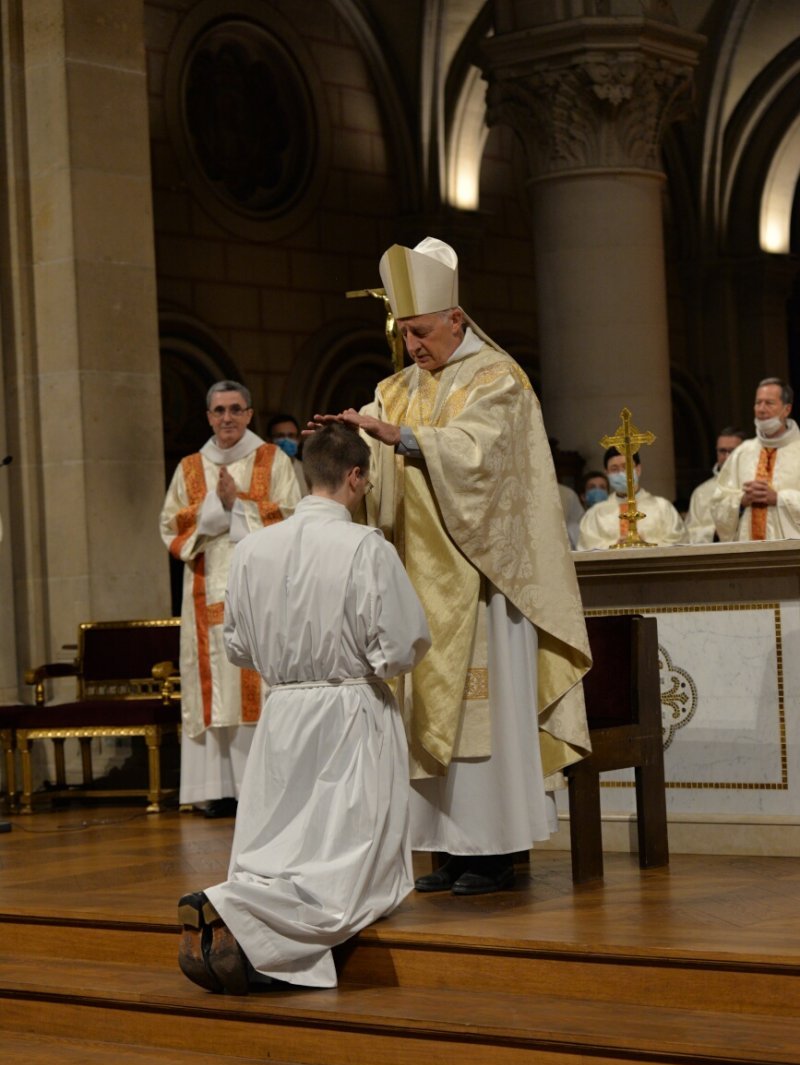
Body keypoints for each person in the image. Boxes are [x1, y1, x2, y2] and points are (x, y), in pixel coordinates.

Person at [309, 236, 591, 896]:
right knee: (421, 719)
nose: (413, 346)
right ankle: (444, 851)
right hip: (413, 581)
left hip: (482, 581)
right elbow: (375, 463)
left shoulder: (499, 379)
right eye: (405, 334)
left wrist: (404, 439)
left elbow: (483, 459)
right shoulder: (393, 388)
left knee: (480, 718)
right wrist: (350, 438)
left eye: (422, 332)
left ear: (457, 320)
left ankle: (492, 853)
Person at [177, 424, 431, 993]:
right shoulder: (366, 546)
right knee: (343, 853)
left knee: (282, 840)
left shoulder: (252, 547)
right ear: (356, 476)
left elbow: (237, 644)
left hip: (283, 710)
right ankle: (251, 924)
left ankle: (235, 910)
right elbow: (401, 644)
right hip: (349, 705)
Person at [160, 380, 301, 817]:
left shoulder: (272, 458)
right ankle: (216, 789)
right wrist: (213, 512)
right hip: (205, 587)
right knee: (213, 684)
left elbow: (293, 514)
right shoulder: (188, 467)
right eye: (218, 411)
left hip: (259, 590)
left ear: (249, 413)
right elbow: (170, 525)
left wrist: (235, 505)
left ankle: (259, 788)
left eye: (235, 410)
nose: (226, 419)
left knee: (253, 681)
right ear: (207, 416)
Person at [711, 378, 800, 541]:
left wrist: (780, 499)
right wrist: (742, 501)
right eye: (758, 403)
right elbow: (718, 503)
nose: (761, 409)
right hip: (748, 552)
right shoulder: (742, 452)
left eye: (769, 403)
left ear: (787, 409)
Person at [576, 446, 686, 549]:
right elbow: (585, 548)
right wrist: (615, 546)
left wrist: (646, 544)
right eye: (614, 469)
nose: (621, 473)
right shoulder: (596, 513)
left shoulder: (662, 507)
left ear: (638, 469)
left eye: (626, 467)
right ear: (607, 473)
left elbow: (680, 542)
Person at [684, 427, 746, 544]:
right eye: (722, 451)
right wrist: (715, 533)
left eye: (732, 451)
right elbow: (689, 535)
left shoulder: (754, 487)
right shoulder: (702, 493)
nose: (727, 457)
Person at [267, 412, 308, 497]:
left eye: (291, 435)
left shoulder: (308, 472)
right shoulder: (259, 472)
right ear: (269, 441)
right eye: (280, 436)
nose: (286, 440)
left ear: (298, 440)